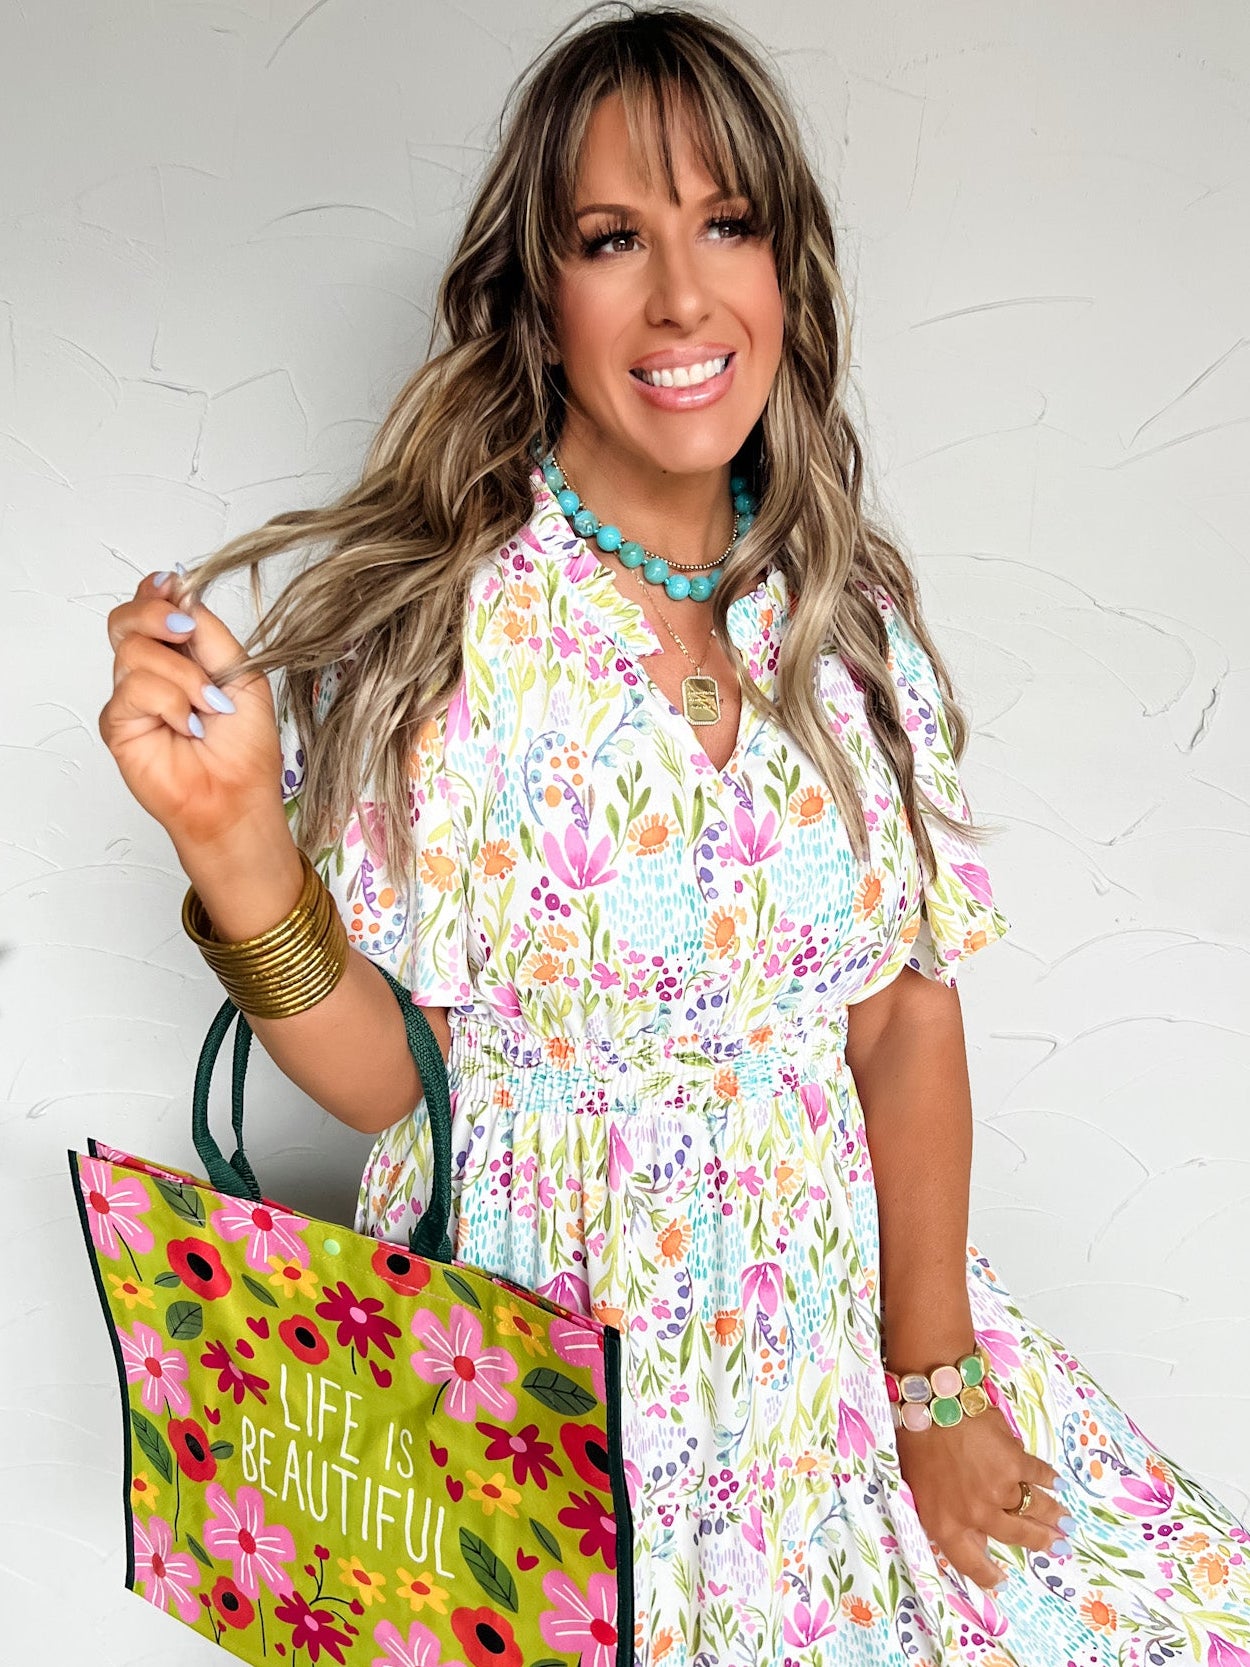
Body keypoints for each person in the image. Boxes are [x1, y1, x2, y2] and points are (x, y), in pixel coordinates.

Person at [99, 5, 1250, 1663]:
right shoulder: (435, 638)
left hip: (824, 1388)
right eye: (612, 239)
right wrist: (232, 849)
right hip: (556, 1404)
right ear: (535, 296)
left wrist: (931, 1388)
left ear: (789, 270)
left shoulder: (847, 633)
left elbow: (905, 1018)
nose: (682, 297)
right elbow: (396, 1089)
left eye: (727, 225)